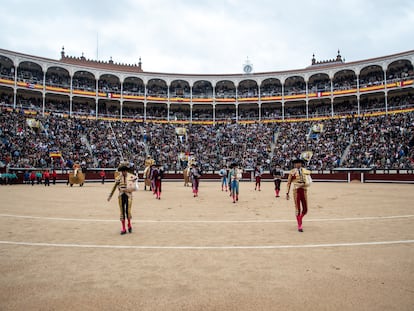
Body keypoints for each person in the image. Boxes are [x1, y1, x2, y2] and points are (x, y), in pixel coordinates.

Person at [107, 162, 138, 235]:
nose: (124, 172)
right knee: (122, 212)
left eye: (125, 170)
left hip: (128, 195)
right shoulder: (118, 178)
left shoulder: (131, 177)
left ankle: (129, 224)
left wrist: (128, 189)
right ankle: (123, 228)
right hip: (121, 195)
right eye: (122, 171)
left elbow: (135, 188)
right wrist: (110, 195)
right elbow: (114, 187)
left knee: (128, 211)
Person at [286, 158, 312, 232]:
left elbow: (309, 180)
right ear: (294, 164)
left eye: (299, 163)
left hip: (304, 190)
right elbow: (289, 183)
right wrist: (287, 193)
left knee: (305, 209)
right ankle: (299, 225)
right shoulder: (292, 172)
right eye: (296, 163)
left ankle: (300, 218)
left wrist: (306, 184)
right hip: (296, 191)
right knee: (298, 208)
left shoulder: (305, 171)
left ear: (301, 164)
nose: (298, 164)